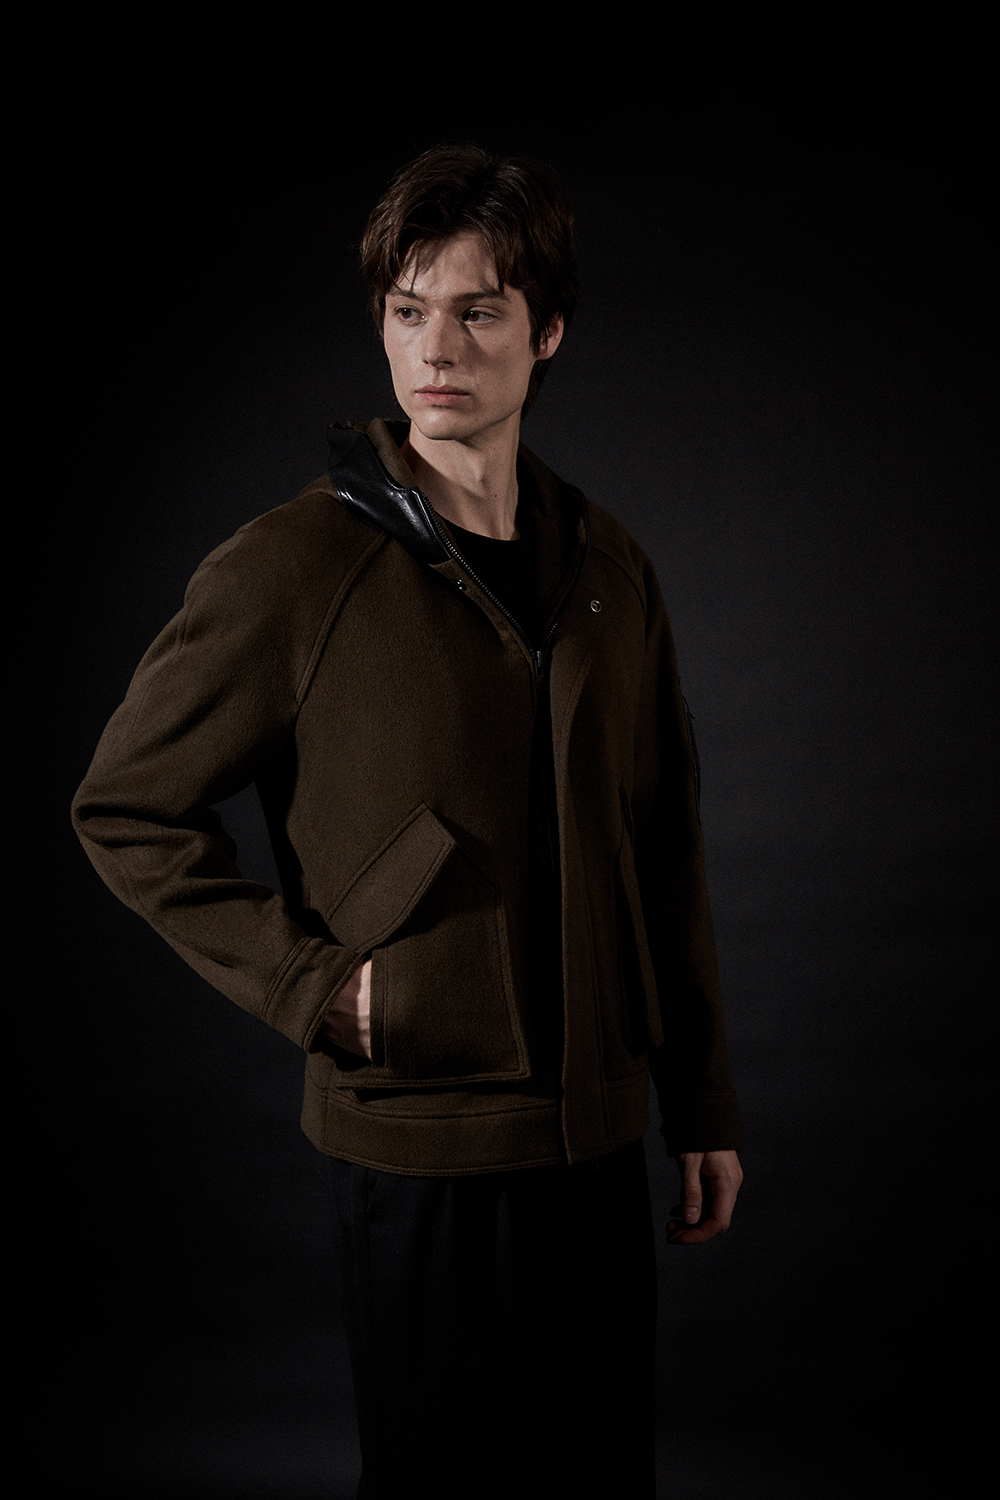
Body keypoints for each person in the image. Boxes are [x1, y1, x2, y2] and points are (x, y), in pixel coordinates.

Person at [72, 143, 743, 1498]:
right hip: (422, 1133)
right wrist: (314, 986)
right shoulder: (296, 565)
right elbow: (126, 807)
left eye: (478, 311)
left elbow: (662, 848)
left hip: (596, 1137)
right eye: (407, 309)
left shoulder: (610, 571)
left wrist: (700, 1102)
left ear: (547, 331)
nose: (436, 349)